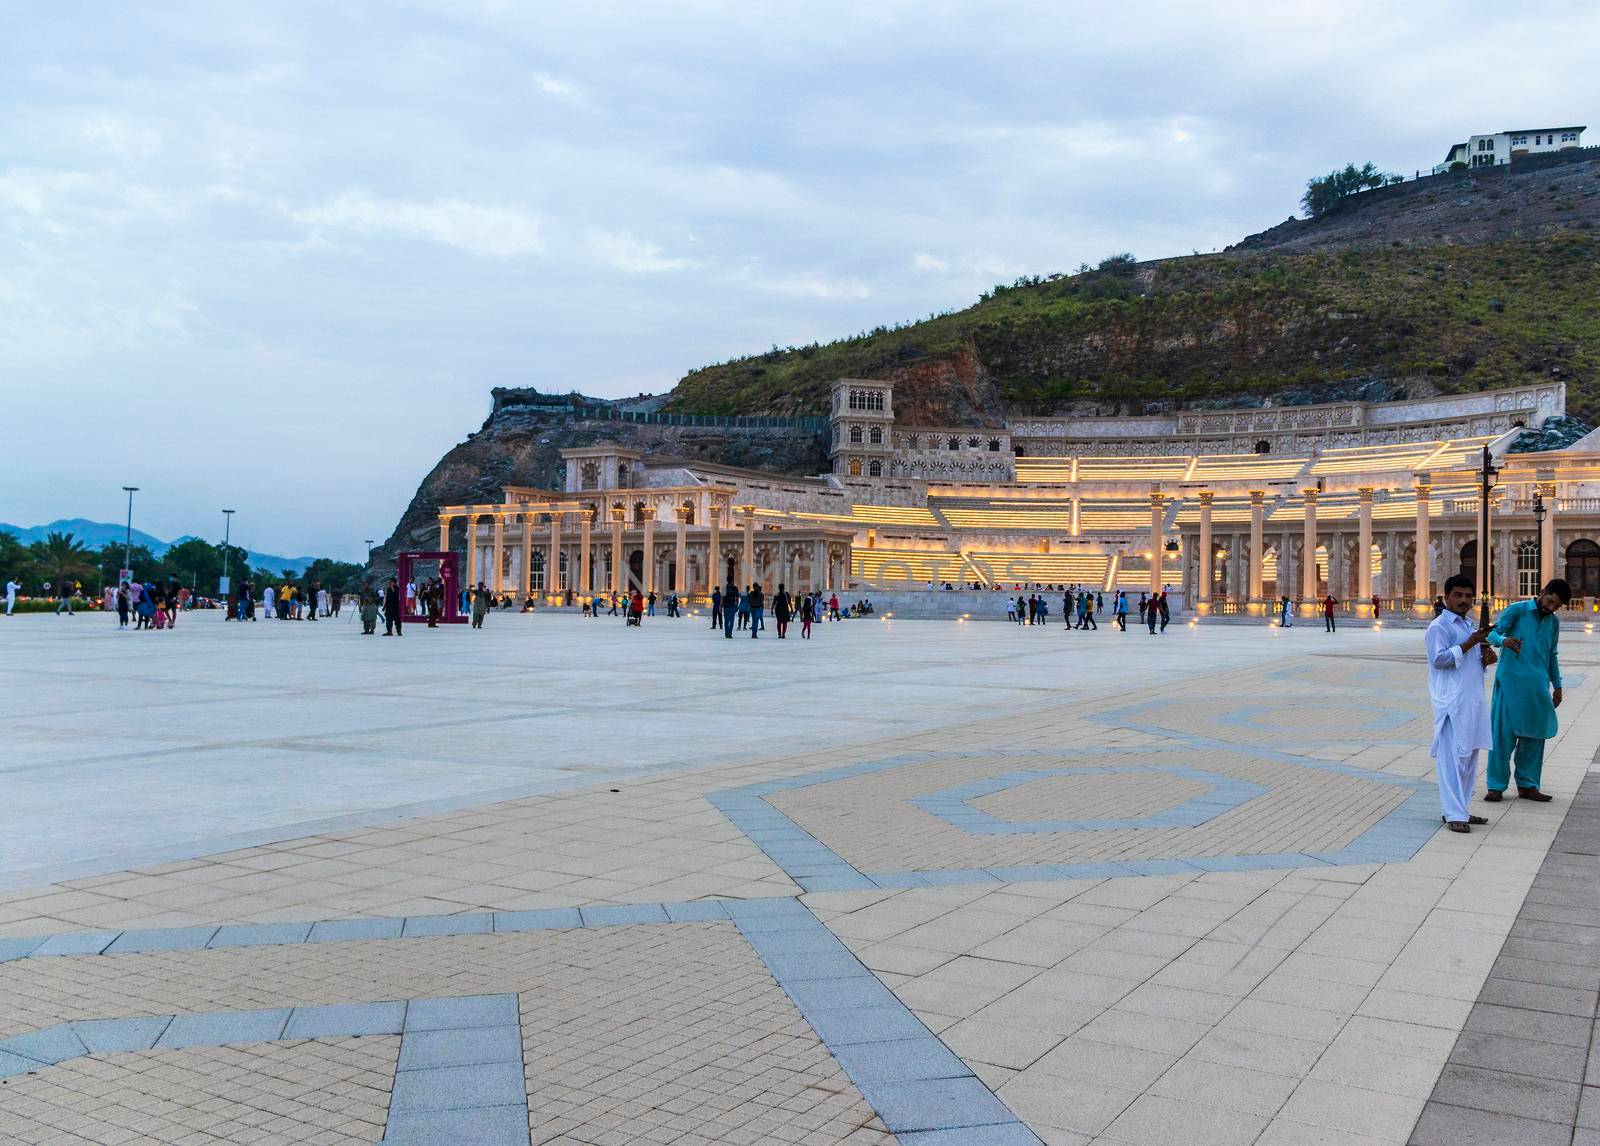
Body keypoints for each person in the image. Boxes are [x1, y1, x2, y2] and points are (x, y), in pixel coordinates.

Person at [1483, 579, 1570, 802]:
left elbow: (1551, 655)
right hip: (1510, 683)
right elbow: (1490, 634)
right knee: (1502, 736)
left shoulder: (1553, 622)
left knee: (1534, 736)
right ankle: (1496, 786)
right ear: (1543, 592)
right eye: (1550, 601)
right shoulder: (1517, 611)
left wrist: (1557, 685)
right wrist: (1504, 641)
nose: (1551, 608)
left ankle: (1528, 785)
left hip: (1537, 686)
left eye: (1556, 606)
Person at [1426, 574, 1495, 833]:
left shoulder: (1468, 625)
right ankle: (1453, 812)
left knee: (1469, 757)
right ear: (1446, 597)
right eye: (1458, 595)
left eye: (1468, 595)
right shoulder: (1439, 627)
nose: (1464, 600)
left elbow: (1469, 660)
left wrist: (1485, 657)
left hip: (1472, 700)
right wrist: (1469, 643)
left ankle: (1461, 809)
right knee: (1452, 759)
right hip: (1451, 703)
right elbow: (1439, 659)